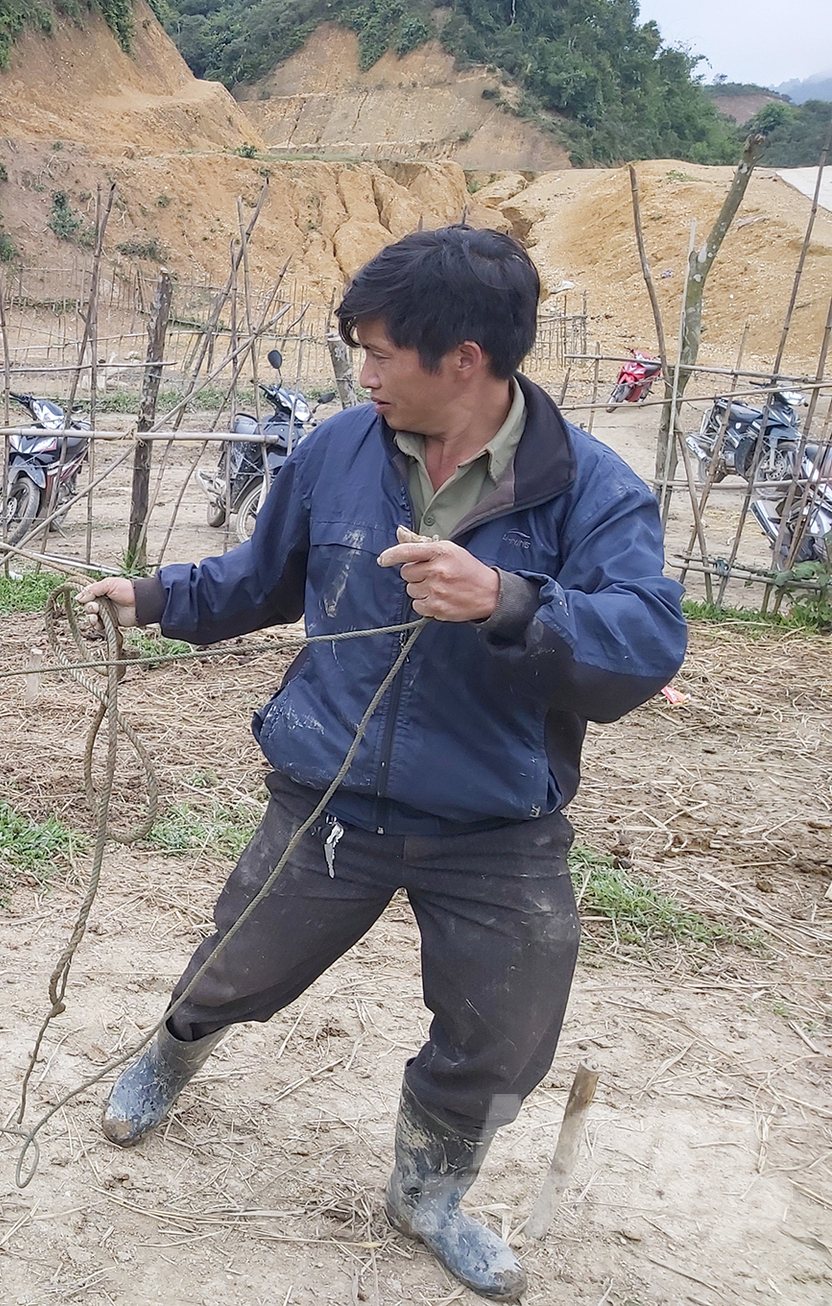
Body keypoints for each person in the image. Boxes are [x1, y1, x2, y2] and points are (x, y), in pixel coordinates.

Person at [79, 226, 686, 1302]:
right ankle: (167, 1060)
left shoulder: (591, 488)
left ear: (464, 358)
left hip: (496, 820)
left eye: (380, 352)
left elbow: (645, 646)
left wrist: (509, 601)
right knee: (235, 964)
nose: (361, 373)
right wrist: (158, 597)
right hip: (331, 792)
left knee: (503, 1028)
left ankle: (429, 1192)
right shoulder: (336, 452)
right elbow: (261, 577)